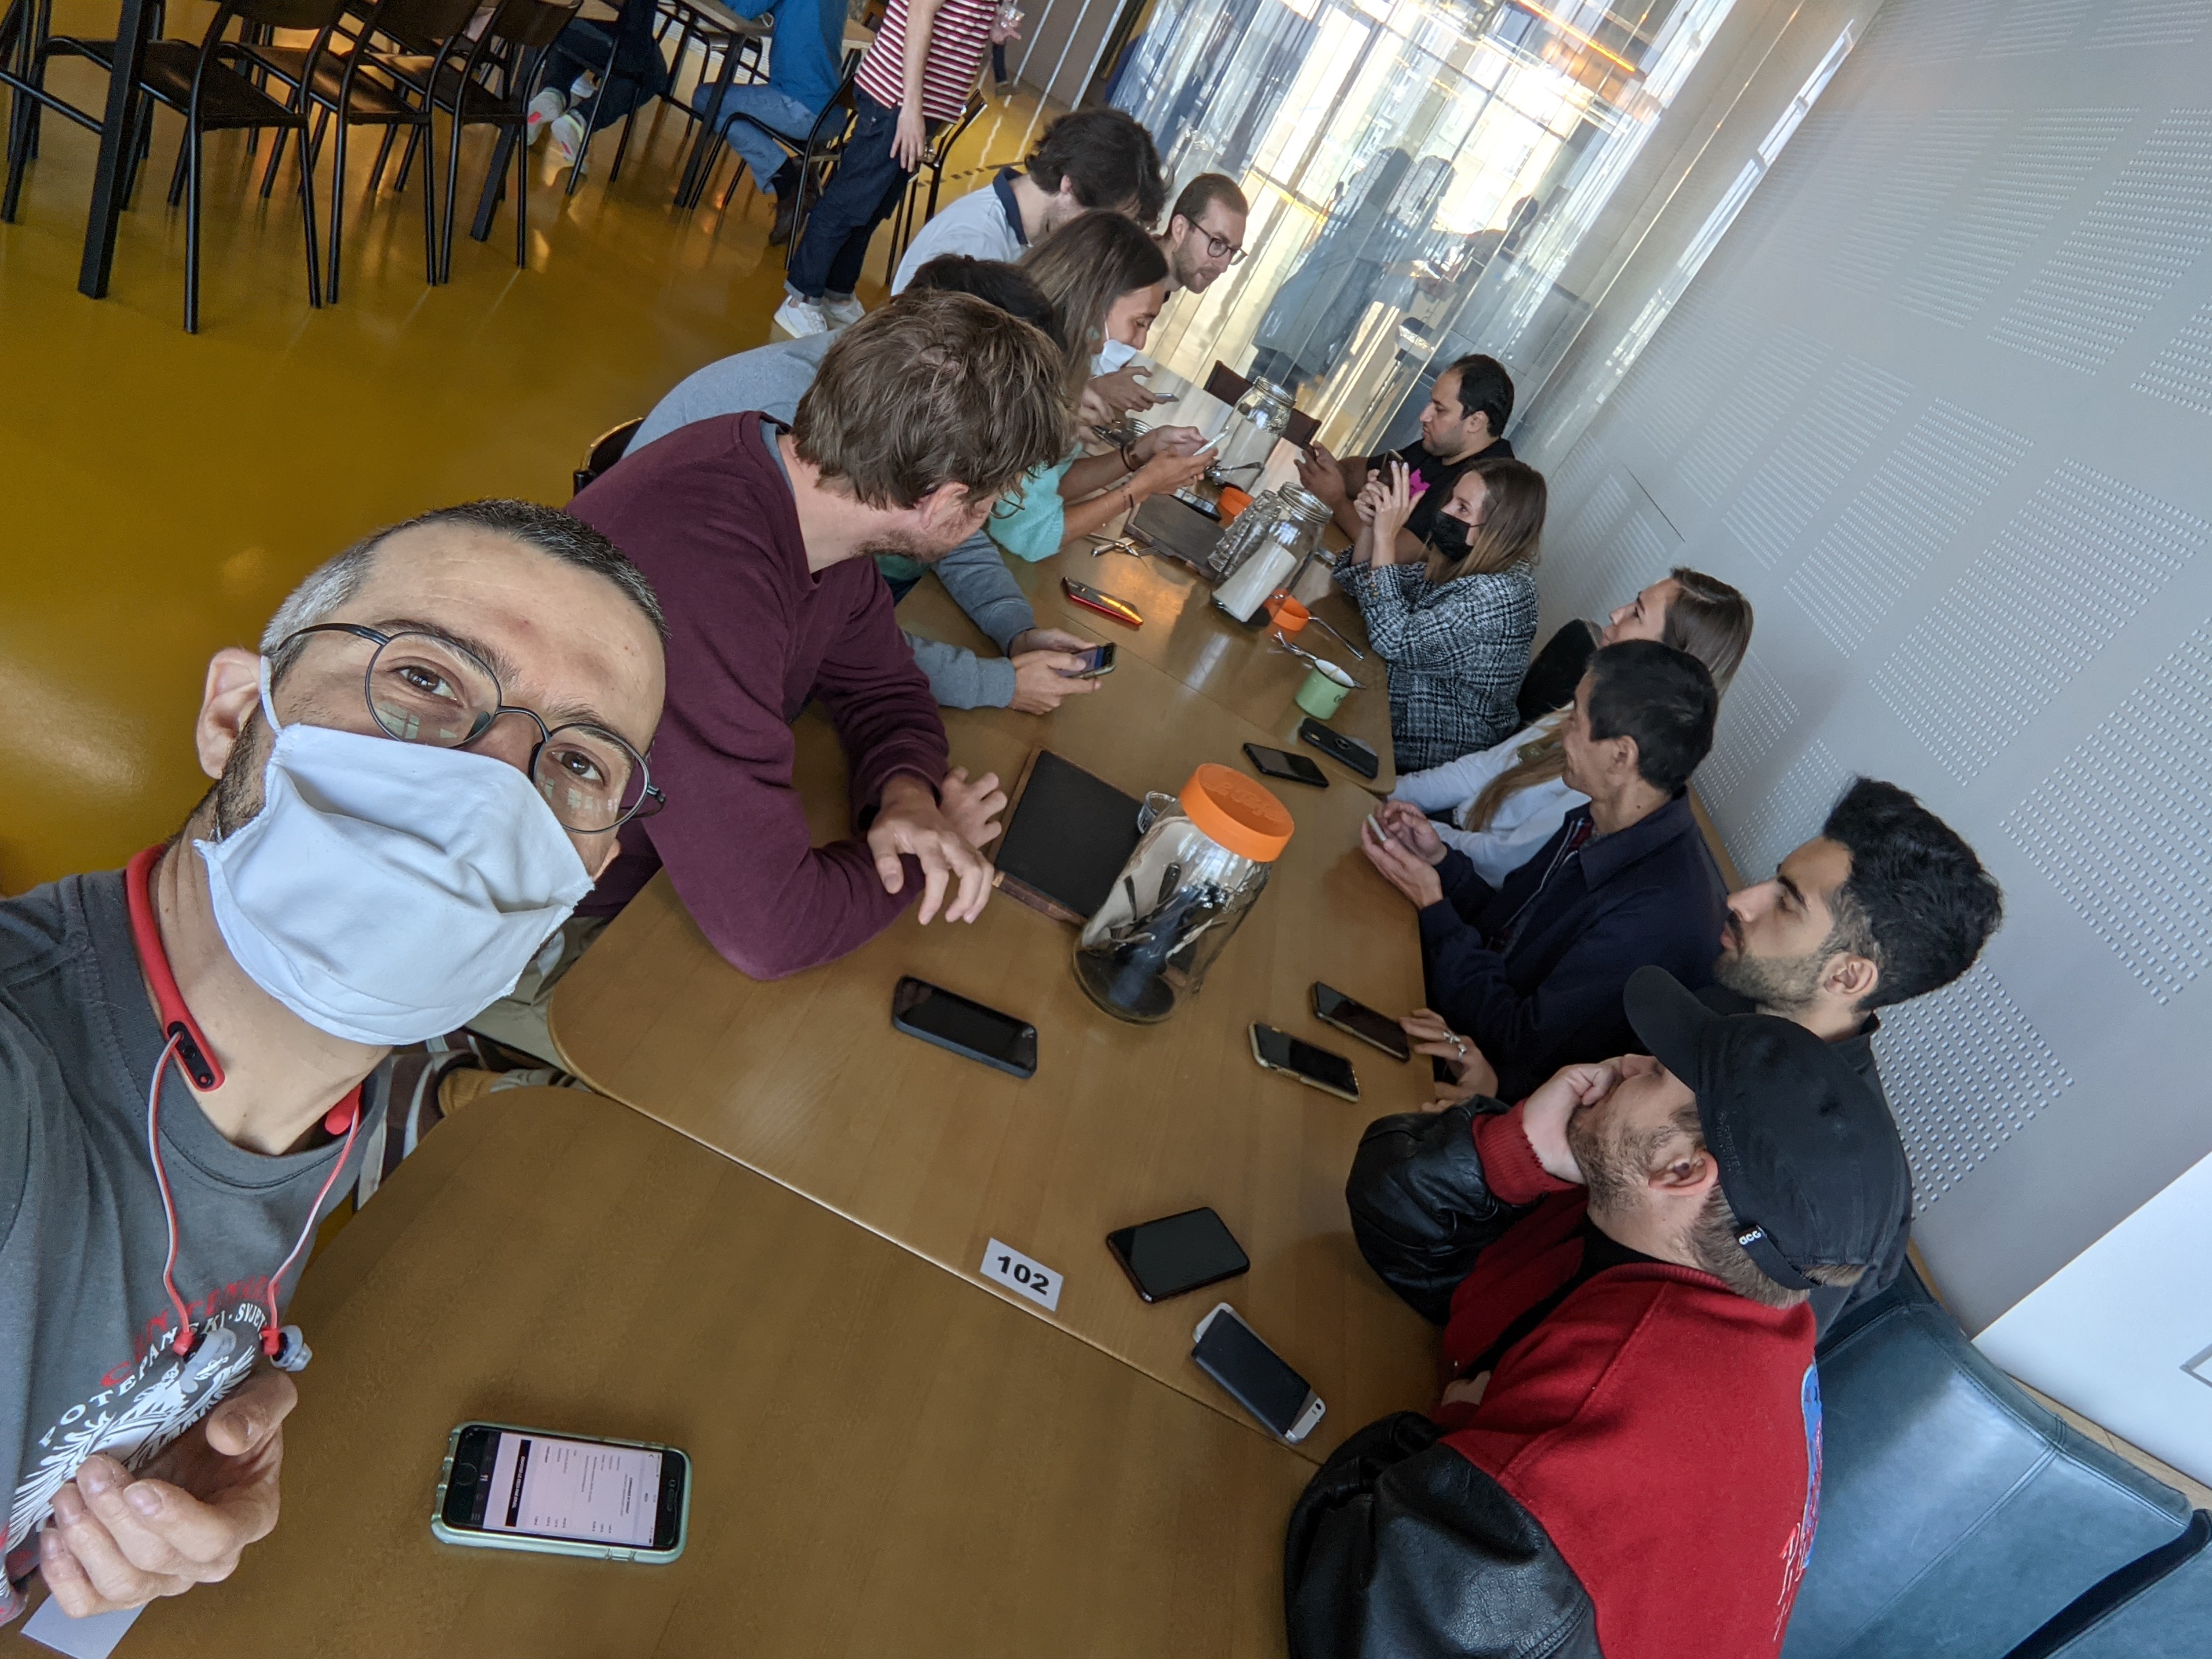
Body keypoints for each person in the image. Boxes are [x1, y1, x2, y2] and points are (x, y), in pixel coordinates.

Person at [0, 503, 668, 1625]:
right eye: (425, 678)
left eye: (578, 759)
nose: (497, 780)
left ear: (586, 874)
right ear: (234, 709)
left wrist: (148, 1489)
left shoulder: (330, 1106)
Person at [1298, 968, 1911, 1656]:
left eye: (1658, 1071)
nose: (1627, 1063)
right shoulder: (1738, 1294)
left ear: (1681, 1171)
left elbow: (1352, 1614)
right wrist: (1517, 1151)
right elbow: (1414, 1253)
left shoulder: (1610, 1415)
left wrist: (1448, 1439)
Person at [562, 293, 1069, 994]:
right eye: (994, 501)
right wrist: (927, 853)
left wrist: (907, 799)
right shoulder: (709, 574)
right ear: (949, 503)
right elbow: (770, 931)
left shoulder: (813, 502)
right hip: (544, 928)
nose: (985, 519)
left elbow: (885, 687)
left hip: (670, 866)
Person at [629, 258, 1100, 714]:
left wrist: (1015, 630)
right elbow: (827, 651)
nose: (989, 508)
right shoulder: (795, 446)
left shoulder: (862, 443)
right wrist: (1000, 684)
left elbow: (859, 630)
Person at [1361, 640, 1723, 1101]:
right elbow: (1508, 925)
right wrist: (1441, 862)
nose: (1564, 735)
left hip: (1491, 1081)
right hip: (1462, 1010)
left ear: (1621, 756)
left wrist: (1435, 907)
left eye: (1576, 720)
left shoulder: (1654, 912)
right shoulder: (1600, 816)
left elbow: (1518, 1040)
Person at [1710, 776, 2003, 1326]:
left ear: (1847, 975)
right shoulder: (1728, 1003)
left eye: (1788, 902)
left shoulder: (1839, 1191)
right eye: (1774, 882)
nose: (1741, 901)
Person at [1380, 569, 1752, 886]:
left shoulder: (1607, 773)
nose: (1616, 613)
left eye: (1636, 614)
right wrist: (1389, 793)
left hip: (1459, 869)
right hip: (1442, 839)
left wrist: (1420, 831)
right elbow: (1481, 769)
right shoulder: (1592, 705)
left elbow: (1501, 865)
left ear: (1666, 659)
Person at [985, 214, 1211, 561]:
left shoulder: (1061, 364)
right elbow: (1030, 534)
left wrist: (1141, 452)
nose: (1139, 342)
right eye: (1139, 323)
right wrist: (1141, 488)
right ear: (1096, 300)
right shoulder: (1026, 374)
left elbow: (1050, 483)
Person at [775, 0, 999, 338]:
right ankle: (801, 298)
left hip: (923, 106)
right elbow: (921, 12)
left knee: (874, 206)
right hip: (897, 99)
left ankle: (837, 292)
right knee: (850, 200)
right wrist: (910, 108)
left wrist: (989, 27)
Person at [1334, 456, 1543, 771]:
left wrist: (1386, 537)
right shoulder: (1469, 559)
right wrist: (1370, 526)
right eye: (1451, 500)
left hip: (1429, 741)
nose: (1444, 512)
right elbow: (1370, 589)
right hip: (1394, 693)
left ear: (1498, 531)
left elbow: (1394, 639)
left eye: (1462, 509)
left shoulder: (1498, 596)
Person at [889, 108, 1166, 293]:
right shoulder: (975, 247)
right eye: (1101, 224)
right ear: (1069, 184)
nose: (1100, 241)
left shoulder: (1028, 239)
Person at [1297, 353, 1516, 560]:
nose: (1424, 416)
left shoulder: (1486, 482)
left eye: (1439, 410)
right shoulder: (1440, 445)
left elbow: (1402, 555)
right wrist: (1333, 471)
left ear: (1476, 422)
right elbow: (1364, 472)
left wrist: (1334, 499)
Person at [689, 0, 849, 245]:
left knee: (706, 98)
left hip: (800, 107)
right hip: (831, 113)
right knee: (730, 107)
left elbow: (741, 10)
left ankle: (787, 181)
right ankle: (796, 176)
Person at [524, 0, 674, 169]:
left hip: (550, 18)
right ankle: (580, 120)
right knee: (649, 72)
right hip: (611, 36)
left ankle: (551, 95)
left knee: (582, 26)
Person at [1157, 173, 1248, 295]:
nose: (1223, 267)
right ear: (1180, 229)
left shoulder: (1152, 289)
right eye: (1217, 243)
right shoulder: (1130, 286)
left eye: (1234, 251)